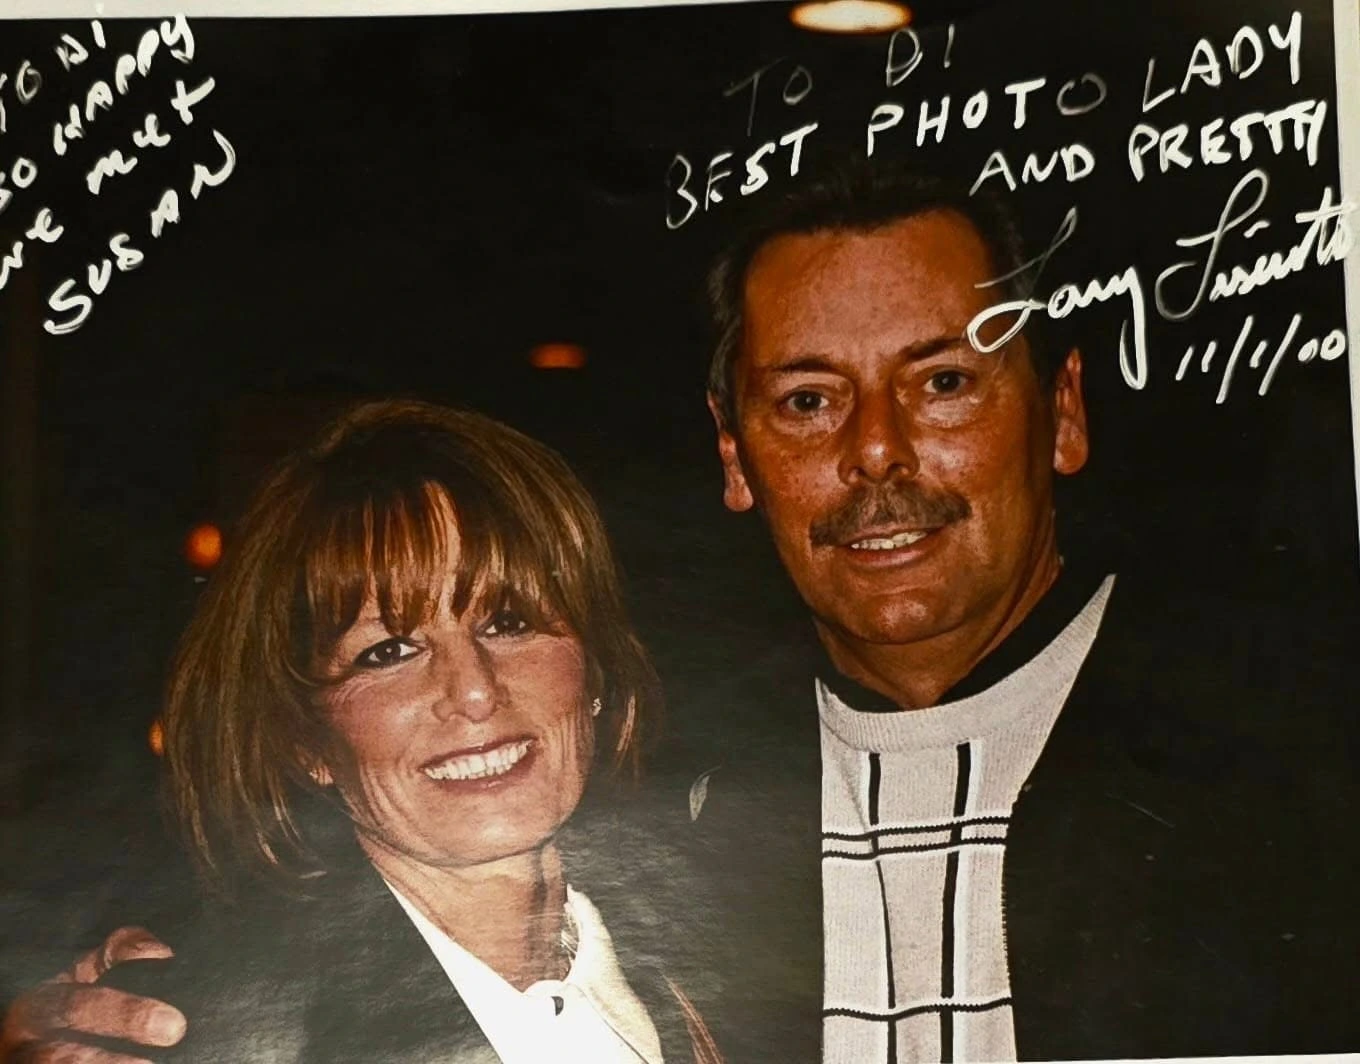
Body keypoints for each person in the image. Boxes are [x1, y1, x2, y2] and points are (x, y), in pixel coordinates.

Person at [7, 164, 1358, 1063]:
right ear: (734, 454)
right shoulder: (698, 804)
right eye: (809, 400)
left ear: (1059, 412)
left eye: (943, 382)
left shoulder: (1294, 773)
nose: (876, 453)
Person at [1, 399, 722, 1064]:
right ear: (306, 739)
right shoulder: (214, 1034)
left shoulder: (731, 960)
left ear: (593, 671)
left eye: (509, 622)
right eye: (389, 651)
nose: (474, 690)